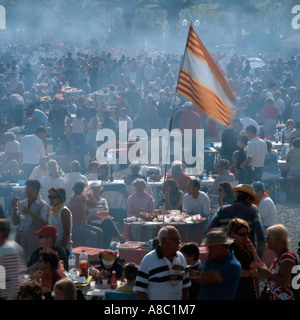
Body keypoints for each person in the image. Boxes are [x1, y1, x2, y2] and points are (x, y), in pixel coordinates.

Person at [134, 226, 191, 300]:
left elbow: (185, 285)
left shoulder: (181, 258)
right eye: (176, 240)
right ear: (163, 241)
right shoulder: (148, 260)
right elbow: (140, 289)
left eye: (179, 240)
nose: (179, 243)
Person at [210, 184, 265, 258]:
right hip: (246, 255)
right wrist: (258, 256)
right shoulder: (252, 212)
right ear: (248, 199)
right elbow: (261, 236)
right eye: (252, 200)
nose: (252, 204)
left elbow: (210, 230)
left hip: (225, 255)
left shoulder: (221, 210)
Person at [251, 224, 297, 300]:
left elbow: (285, 282)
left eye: (268, 238)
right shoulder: (279, 256)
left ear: (277, 239)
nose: (266, 240)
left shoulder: (287, 257)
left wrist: (266, 272)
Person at [196, 228, 241, 300]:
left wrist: (184, 274)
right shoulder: (211, 259)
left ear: (223, 247)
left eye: (212, 248)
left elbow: (205, 279)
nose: (208, 250)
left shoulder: (233, 265)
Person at [12, 180, 51, 263]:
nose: (26, 192)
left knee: (31, 262)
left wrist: (31, 214)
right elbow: (15, 222)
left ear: (36, 190)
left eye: (29, 190)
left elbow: (43, 225)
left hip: (32, 239)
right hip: (20, 236)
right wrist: (14, 209)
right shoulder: (23, 203)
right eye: (26, 190)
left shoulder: (43, 205)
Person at [227, 218, 260, 300]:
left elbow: (259, 266)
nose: (246, 236)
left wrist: (253, 251)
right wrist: (250, 273)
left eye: (247, 233)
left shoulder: (247, 246)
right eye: (242, 234)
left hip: (250, 291)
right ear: (233, 234)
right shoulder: (229, 250)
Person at [87, 181, 125, 248]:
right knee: (108, 223)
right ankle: (119, 236)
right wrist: (95, 215)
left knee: (107, 224)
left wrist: (97, 214)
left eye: (98, 189)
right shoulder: (87, 201)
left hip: (101, 219)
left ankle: (106, 246)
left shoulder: (103, 200)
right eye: (95, 189)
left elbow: (107, 211)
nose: (96, 191)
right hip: (91, 220)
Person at [67, 180, 103, 248]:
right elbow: (76, 219)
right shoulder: (75, 201)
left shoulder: (81, 198)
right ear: (80, 190)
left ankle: (99, 252)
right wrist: (90, 217)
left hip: (81, 224)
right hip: (74, 226)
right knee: (92, 235)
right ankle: (89, 255)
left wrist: (91, 195)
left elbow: (93, 204)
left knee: (100, 232)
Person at [0, 219, 26, 300]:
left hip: (9, 296)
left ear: (2, 233)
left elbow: (15, 279)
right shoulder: (14, 246)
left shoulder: (7, 251)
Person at [48, 187, 72, 254]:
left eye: (53, 197)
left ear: (60, 198)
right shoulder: (54, 211)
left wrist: (61, 250)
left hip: (64, 247)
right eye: (49, 196)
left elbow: (66, 233)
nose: (50, 199)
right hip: (55, 245)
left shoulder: (63, 211)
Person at [70, 107, 87, 172]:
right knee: (82, 154)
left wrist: (70, 130)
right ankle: (83, 169)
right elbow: (85, 128)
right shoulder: (84, 120)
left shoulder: (72, 119)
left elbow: (68, 125)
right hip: (81, 135)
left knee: (73, 153)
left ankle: (72, 168)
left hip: (74, 135)